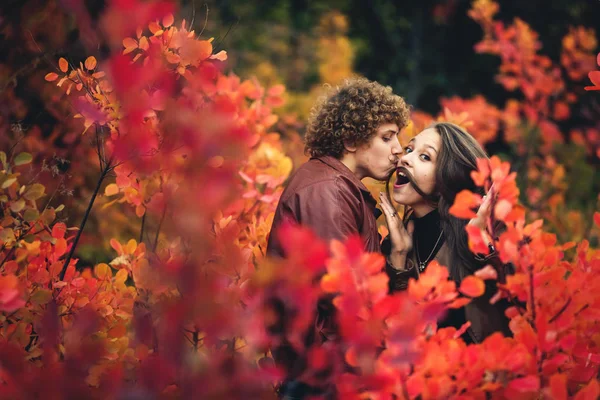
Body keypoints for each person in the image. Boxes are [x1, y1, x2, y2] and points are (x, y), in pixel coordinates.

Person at [267, 77, 410, 398]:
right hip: (326, 375)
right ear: (350, 140)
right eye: (387, 138)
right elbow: (343, 296)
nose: (398, 148)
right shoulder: (327, 191)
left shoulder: (336, 186)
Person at [379, 122, 512, 344]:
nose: (404, 158)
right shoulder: (395, 244)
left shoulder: (485, 231)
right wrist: (399, 260)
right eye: (410, 149)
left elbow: (513, 302)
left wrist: (480, 248)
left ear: (448, 177)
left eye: (425, 157)